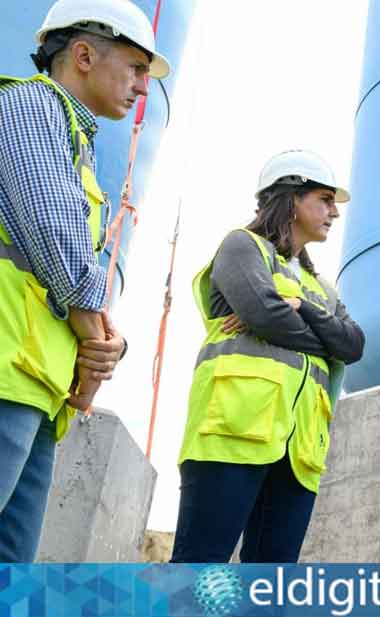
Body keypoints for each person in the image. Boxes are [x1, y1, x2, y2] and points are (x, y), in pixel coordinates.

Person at [0, 0, 170, 562]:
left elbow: (74, 271)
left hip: (38, 390)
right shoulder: (29, 106)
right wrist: (96, 331)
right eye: (136, 68)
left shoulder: (75, 144)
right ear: (82, 55)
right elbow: (54, 236)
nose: (143, 87)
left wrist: (102, 344)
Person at [171, 150, 364, 563]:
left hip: (299, 450)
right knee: (198, 572)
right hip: (231, 434)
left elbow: (353, 346)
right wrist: (321, 338)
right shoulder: (243, 247)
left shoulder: (321, 287)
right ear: (292, 198)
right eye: (325, 200)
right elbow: (265, 314)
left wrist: (306, 310)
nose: (334, 212)